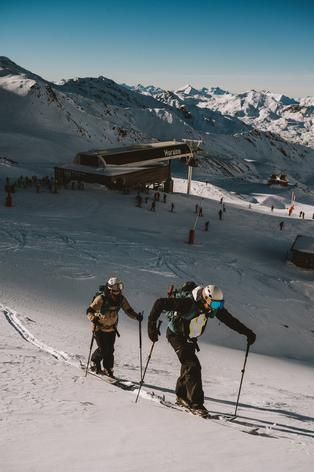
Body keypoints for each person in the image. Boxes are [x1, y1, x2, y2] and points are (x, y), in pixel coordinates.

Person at [147, 283, 256, 415]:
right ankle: (196, 404)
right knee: (193, 366)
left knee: (188, 366)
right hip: (176, 336)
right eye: (216, 305)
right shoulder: (187, 303)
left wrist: (247, 332)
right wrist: (151, 326)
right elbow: (160, 303)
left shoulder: (211, 307)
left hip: (190, 339)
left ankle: (182, 396)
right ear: (206, 298)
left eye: (220, 305)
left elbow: (230, 320)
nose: (217, 309)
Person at [86, 277, 143, 377]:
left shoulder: (121, 299)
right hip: (99, 328)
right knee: (103, 349)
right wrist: (93, 318)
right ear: (110, 288)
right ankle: (94, 361)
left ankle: (108, 368)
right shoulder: (101, 298)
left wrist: (136, 317)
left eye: (120, 287)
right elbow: (89, 311)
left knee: (110, 350)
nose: (119, 290)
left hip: (111, 328)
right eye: (116, 287)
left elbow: (128, 310)